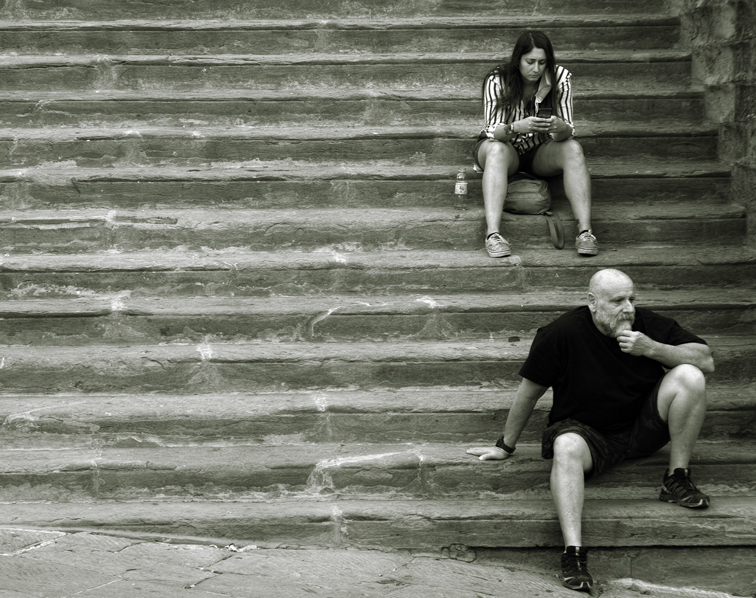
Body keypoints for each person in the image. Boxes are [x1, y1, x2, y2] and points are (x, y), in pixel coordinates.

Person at [467, 268, 714, 592]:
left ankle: (676, 478)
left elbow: (706, 361)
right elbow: (529, 392)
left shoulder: (645, 326)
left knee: (690, 376)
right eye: (618, 301)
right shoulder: (561, 333)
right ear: (592, 302)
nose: (628, 308)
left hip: (643, 427)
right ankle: (574, 554)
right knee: (566, 445)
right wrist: (506, 445)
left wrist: (652, 348)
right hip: (588, 435)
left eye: (631, 299)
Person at [473, 31, 598, 258]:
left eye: (542, 62)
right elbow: (493, 131)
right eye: (530, 62)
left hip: (540, 150)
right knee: (497, 149)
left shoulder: (560, 78)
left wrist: (559, 127)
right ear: (518, 59)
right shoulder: (497, 79)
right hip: (504, 147)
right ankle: (492, 234)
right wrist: (516, 127)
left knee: (573, 148)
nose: (536, 69)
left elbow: (569, 130)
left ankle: (585, 232)